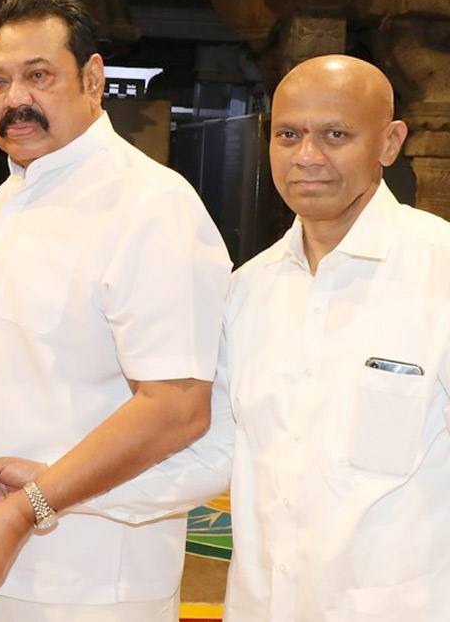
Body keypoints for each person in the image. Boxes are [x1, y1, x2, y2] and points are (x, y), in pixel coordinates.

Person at [0, 0, 231, 621]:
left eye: (38, 77)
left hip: (87, 577)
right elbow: (52, 335)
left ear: (93, 79)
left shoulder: (150, 206)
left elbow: (177, 407)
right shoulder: (11, 194)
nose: (15, 99)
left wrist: (30, 506)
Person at [92, 54, 450, 619]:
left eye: (336, 134)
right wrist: (51, 492)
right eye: (288, 134)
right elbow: (212, 454)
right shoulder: (247, 291)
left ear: (390, 142)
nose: (307, 156)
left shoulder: (440, 272)